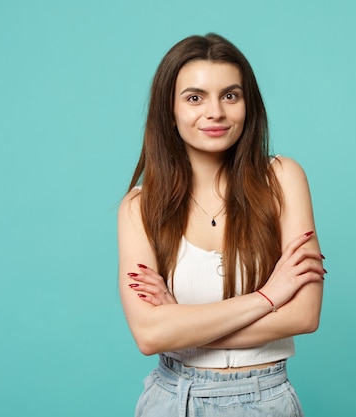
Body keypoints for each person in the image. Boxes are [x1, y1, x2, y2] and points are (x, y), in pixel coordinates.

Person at [118, 33, 326, 417]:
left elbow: (304, 316)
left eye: (230, 95)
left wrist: (181, 326)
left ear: (248, 105)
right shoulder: (140, 207)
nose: (215, 112)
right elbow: (149, 335)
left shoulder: (282, 179)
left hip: (266, 400)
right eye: (195, 97)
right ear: (170, 109)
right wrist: (268, 298)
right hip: (172, 400)